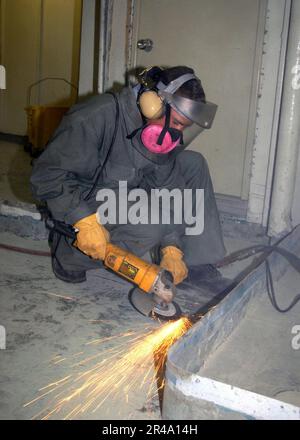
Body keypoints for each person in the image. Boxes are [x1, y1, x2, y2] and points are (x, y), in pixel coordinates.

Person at [31, 66, 227, 292]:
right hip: (84, 199)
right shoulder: (97, 116)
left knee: (193, 163)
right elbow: (46, 175)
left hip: (127, 188)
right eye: (176, 124)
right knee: (153, 222)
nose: (176, 135)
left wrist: (172, 248)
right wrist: (82, 219)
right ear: (153, 104)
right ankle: (71, 256)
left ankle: (195, 263)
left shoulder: (160, 134)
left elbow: (167, 188)